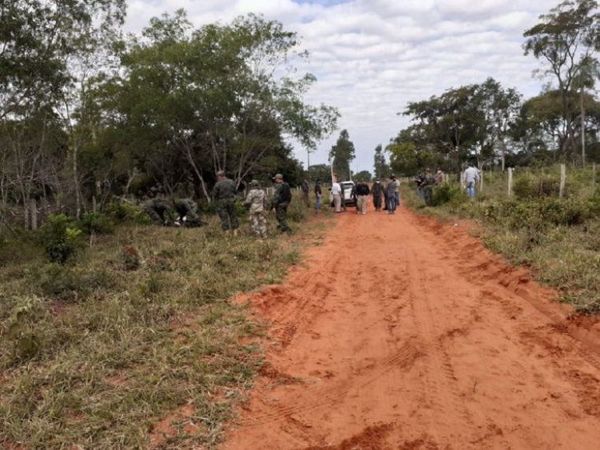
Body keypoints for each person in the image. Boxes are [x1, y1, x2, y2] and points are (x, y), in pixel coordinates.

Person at [212, 170, 240, 235]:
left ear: (219, 176)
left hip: (222, 201)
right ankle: (235, 232)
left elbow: (214, 194)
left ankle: (227, 233)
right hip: (231, 200)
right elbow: (235, 191)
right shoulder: (231, 182)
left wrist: (215, 202)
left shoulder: (218, 184)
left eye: (217, 177)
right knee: (233, 215)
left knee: (224, 217)